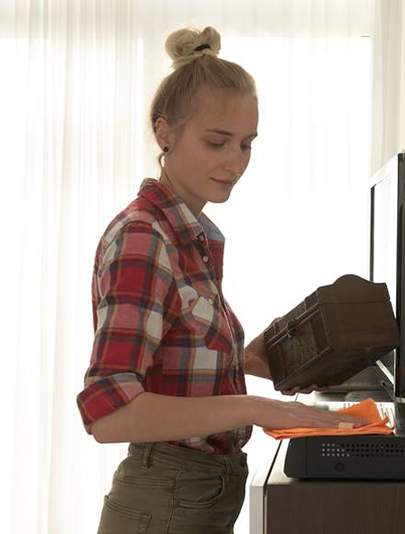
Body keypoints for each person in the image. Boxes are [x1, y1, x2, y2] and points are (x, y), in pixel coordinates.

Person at [76, 26, 368, 533]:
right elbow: (110, 412)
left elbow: (179, 363)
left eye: (246, 145)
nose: (235, 163)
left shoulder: (190, 237)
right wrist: (257, 408)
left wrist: (272, 362)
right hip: (165, 503)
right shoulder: (145, 240)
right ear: (164, 133)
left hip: (197, 496)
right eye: (217, 142)